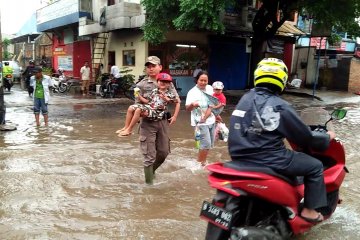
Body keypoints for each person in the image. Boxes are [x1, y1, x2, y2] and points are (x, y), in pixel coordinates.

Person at [228, 58, 336, 223]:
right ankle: (309, 211)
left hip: (239, 156)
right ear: (283, 79)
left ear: (257, 75)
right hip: (269, 159)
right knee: (315, 166)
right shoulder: (280, 105)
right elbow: (305, 137)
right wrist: (327, 136)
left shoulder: (245, 99)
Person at [135, 56, 181, 185]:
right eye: (148, 66)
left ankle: (151, 171)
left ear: (160, 67)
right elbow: (137, 103)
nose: (151, 69)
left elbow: (176, 100)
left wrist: (175, 116)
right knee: (149, 156)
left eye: (153, 66)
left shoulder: (168, 82)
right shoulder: (141, 85)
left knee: (163, 152)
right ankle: (148, 186)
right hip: (148, 122)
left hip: (163, 121)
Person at [117, 73, 178, 137]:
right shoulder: (154, 91)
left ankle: (129, 130)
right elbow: (147, 101)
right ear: (157, 82)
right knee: (131, 108)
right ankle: (126, 127)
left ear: (169, 84)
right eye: (161, 81)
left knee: (138, 110)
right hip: (150, 107)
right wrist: (139, 96)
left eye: (166, 82)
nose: (163, 83)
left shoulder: (170, 94)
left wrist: (167, 100)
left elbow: (177, 103)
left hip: (158, 112)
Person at [185, 71, 216, 167]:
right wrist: (192, 105)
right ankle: (200, 164)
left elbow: (214, 104)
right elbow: (187, 109)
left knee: (209, 144)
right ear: (196, 80)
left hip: (211, 120)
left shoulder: (210, 89)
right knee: (206, 144)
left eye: (205, 80)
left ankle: (202, 162)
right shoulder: (192, 92)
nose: (203, 82)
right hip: (199, 122)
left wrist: (217, 116)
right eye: (201, 80)